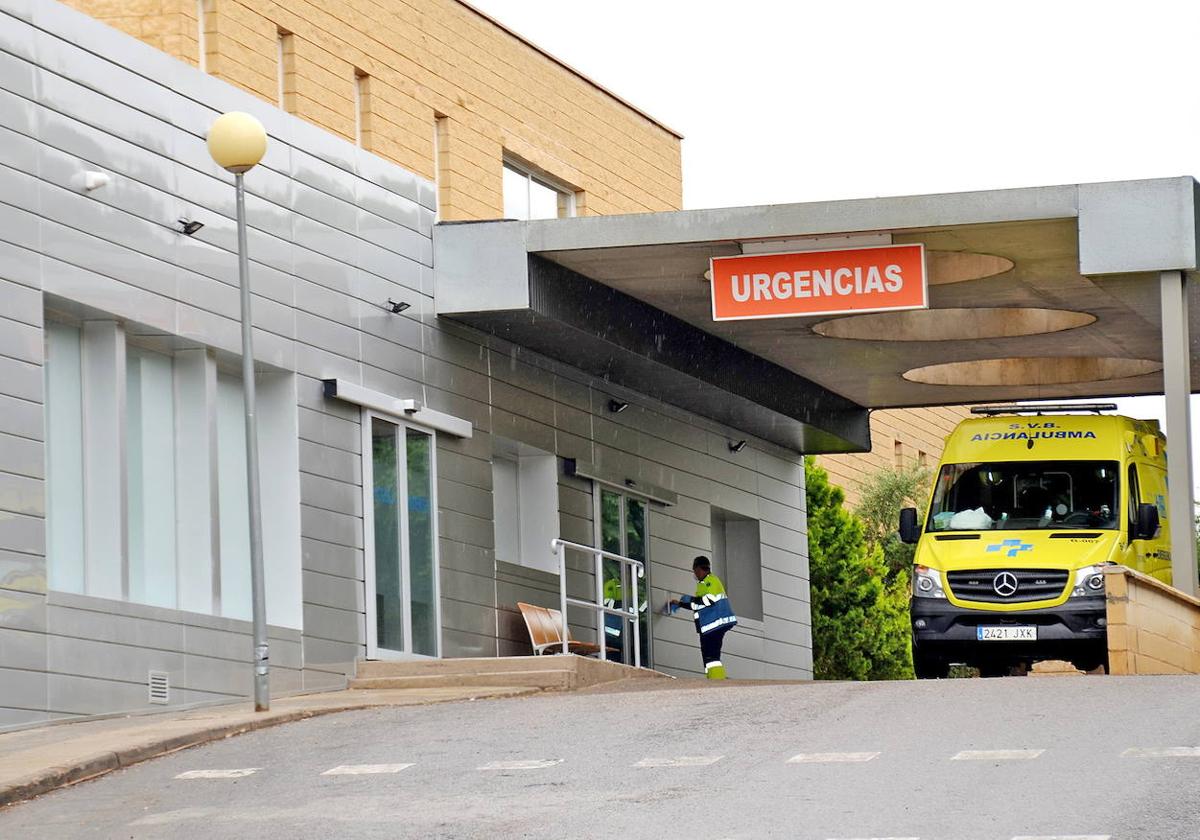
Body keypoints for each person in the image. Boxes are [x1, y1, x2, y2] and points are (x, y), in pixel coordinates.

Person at [670, 556, 737, 679]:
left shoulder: (709, 581)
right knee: (708, 656)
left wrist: (685, 602)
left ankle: (717, 680)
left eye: (695, 570)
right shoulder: (705, 583)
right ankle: (713, 678)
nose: (694, 574)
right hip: (709, 627)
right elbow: (699, 603)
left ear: (700, 569)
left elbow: (707, 601)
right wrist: (683, 603)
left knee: (712, 657)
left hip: (714, 625)